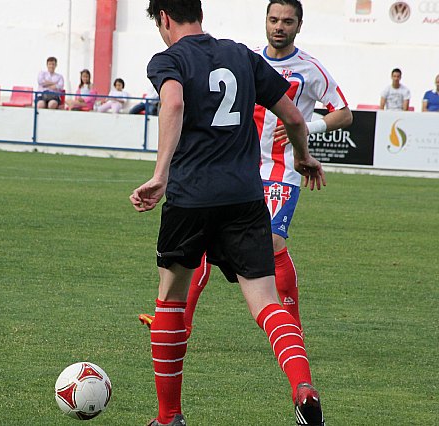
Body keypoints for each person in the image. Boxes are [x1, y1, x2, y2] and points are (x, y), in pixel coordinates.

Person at [131, 1, 326, 425]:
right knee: (266, 303)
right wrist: (304, 157)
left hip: (190, 198)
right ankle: (302, 385)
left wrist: (160, 175)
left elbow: (174, 105)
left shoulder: (168, 60)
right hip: (244, 198)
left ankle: (169, 418)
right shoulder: (242, 54)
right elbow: (293, 115)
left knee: (170, 299)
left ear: (164, 17)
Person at [140, 0, 353, 339]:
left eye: (287, 21)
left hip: (282, 168)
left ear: (299, 25)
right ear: (266, 22)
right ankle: (182, 320)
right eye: (273, 19)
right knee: (204, 248)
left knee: (273, 243)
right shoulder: (245, 57)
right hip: (244, 168)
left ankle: (289, 322)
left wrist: (307, 134)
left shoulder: (310, 68)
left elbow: (342, 113)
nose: (279, 26)